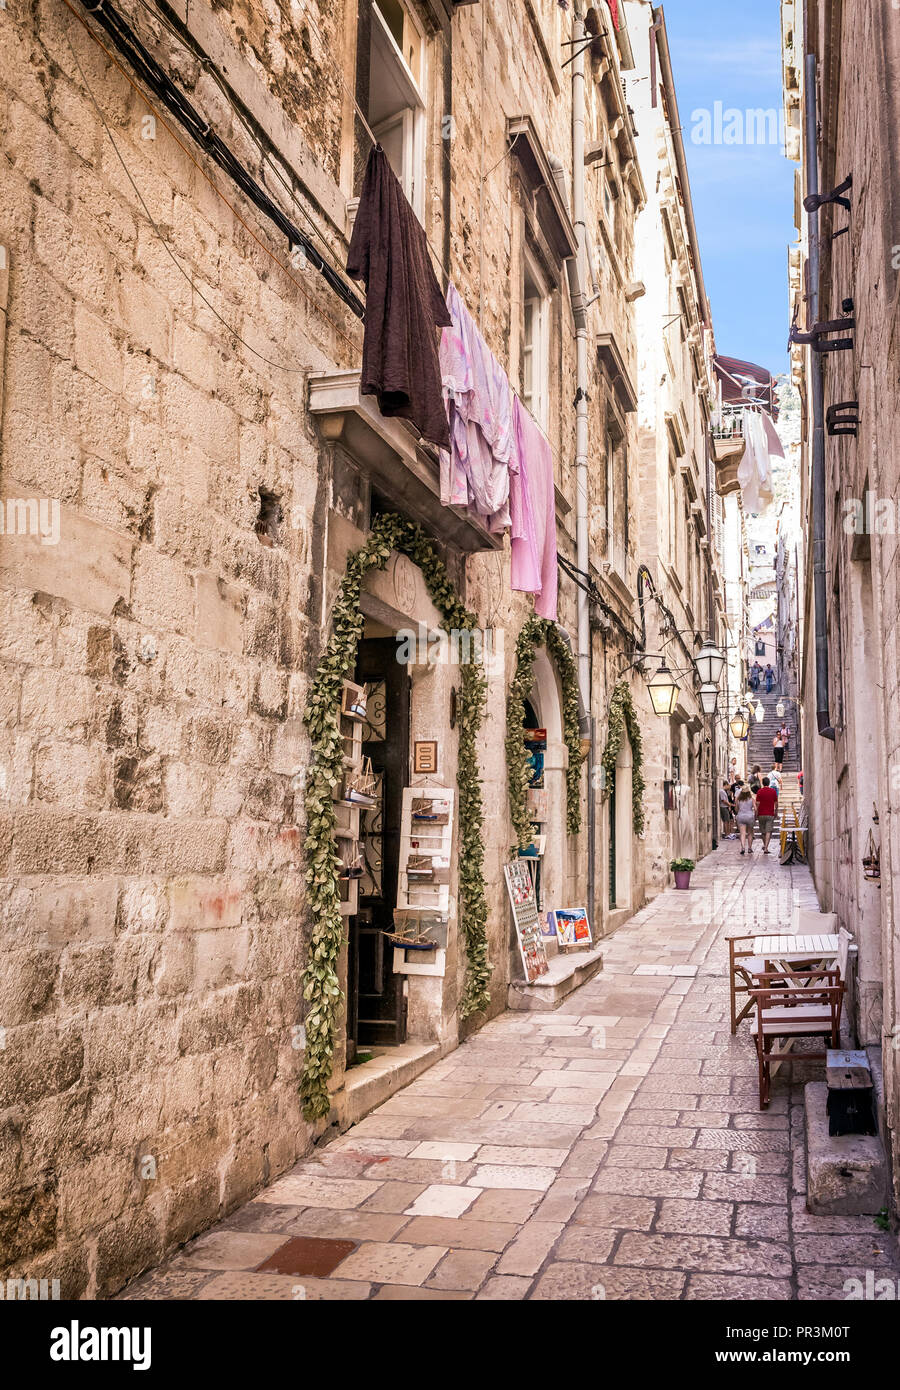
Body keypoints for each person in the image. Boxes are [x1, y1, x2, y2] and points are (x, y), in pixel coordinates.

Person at [755, 776, 779, 854]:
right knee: (768, 831)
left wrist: (756, 813)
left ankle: (765, 845)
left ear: (762, 783)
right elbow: (776, 803)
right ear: (768, 783)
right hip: (770, 813)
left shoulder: (759, 791)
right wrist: (776, 811)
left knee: (763, 831)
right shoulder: (773, 791)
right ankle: (766, 847)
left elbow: (757, 804)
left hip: (761, 814)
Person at [735, 784, 756, 855]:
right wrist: (755, 816)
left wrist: (739, 813)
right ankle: (749, 848)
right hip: (750, 816)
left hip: (741, 816)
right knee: (750, 833)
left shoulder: (738, 799)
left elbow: (736, 808)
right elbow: (755, 809)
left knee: (742, 833)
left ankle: (743, 847)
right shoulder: (752, 799)